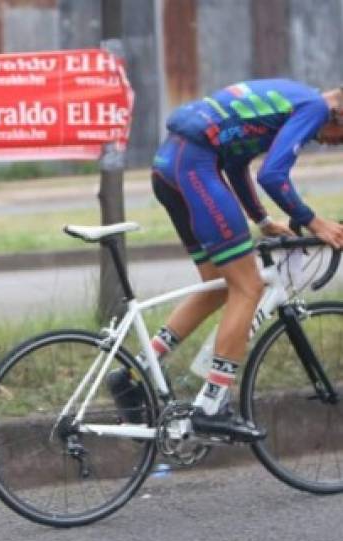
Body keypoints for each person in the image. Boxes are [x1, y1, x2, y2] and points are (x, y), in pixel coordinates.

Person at [108, 79, 343, 441]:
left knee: (219, 286)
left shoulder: (291, 95)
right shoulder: (315, 108)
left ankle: (135, 370)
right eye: (340, 138)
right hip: (195, 168)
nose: (332, 143)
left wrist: (263, 222)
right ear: (340, 117)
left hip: (168, 165)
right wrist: (313, 220)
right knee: (248, 288)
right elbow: (273, 174)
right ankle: (212, 406)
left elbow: (237, 166)